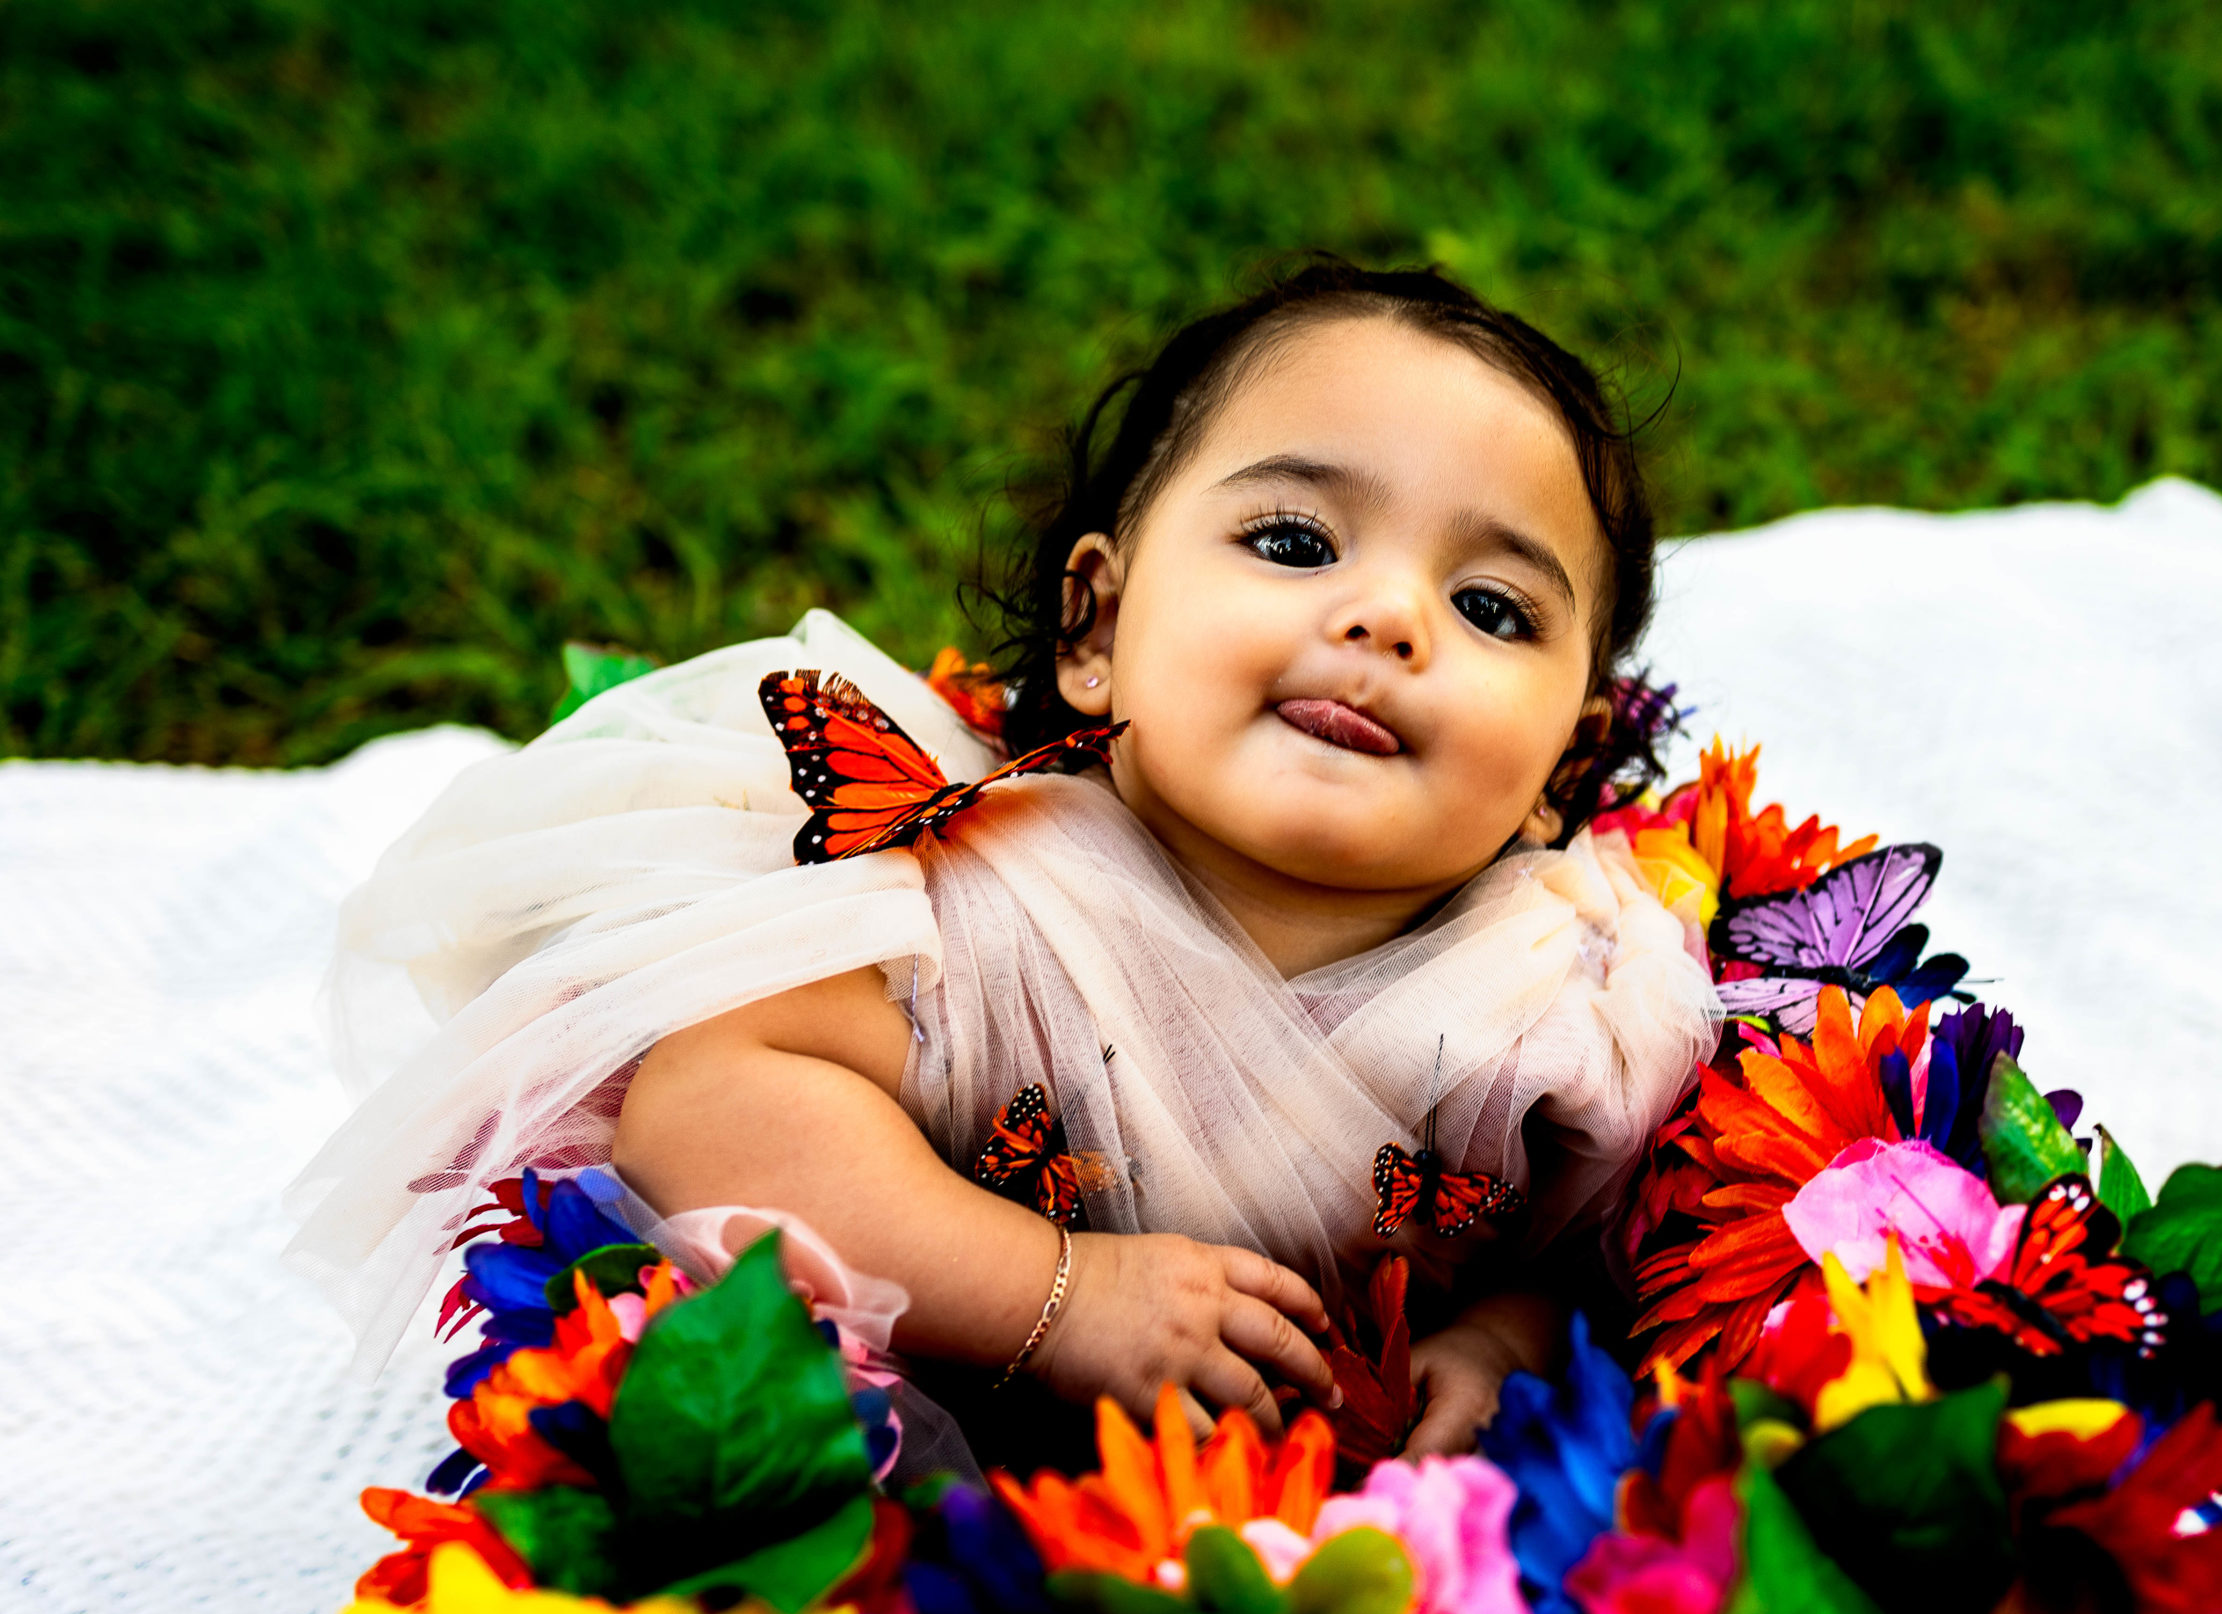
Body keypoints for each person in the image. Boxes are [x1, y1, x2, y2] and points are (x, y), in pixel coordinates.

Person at [288, 260, 1720, 1476]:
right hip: (971, 1475)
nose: (1388, 615)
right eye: (1294, 539)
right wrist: (1057, 1292)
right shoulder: (974, 898)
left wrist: (1501, 1344)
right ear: (1094, 626)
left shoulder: (1569, 992)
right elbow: (707, 1104)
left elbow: (1584, 1256)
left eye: (1491, 606)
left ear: (1566, 761)